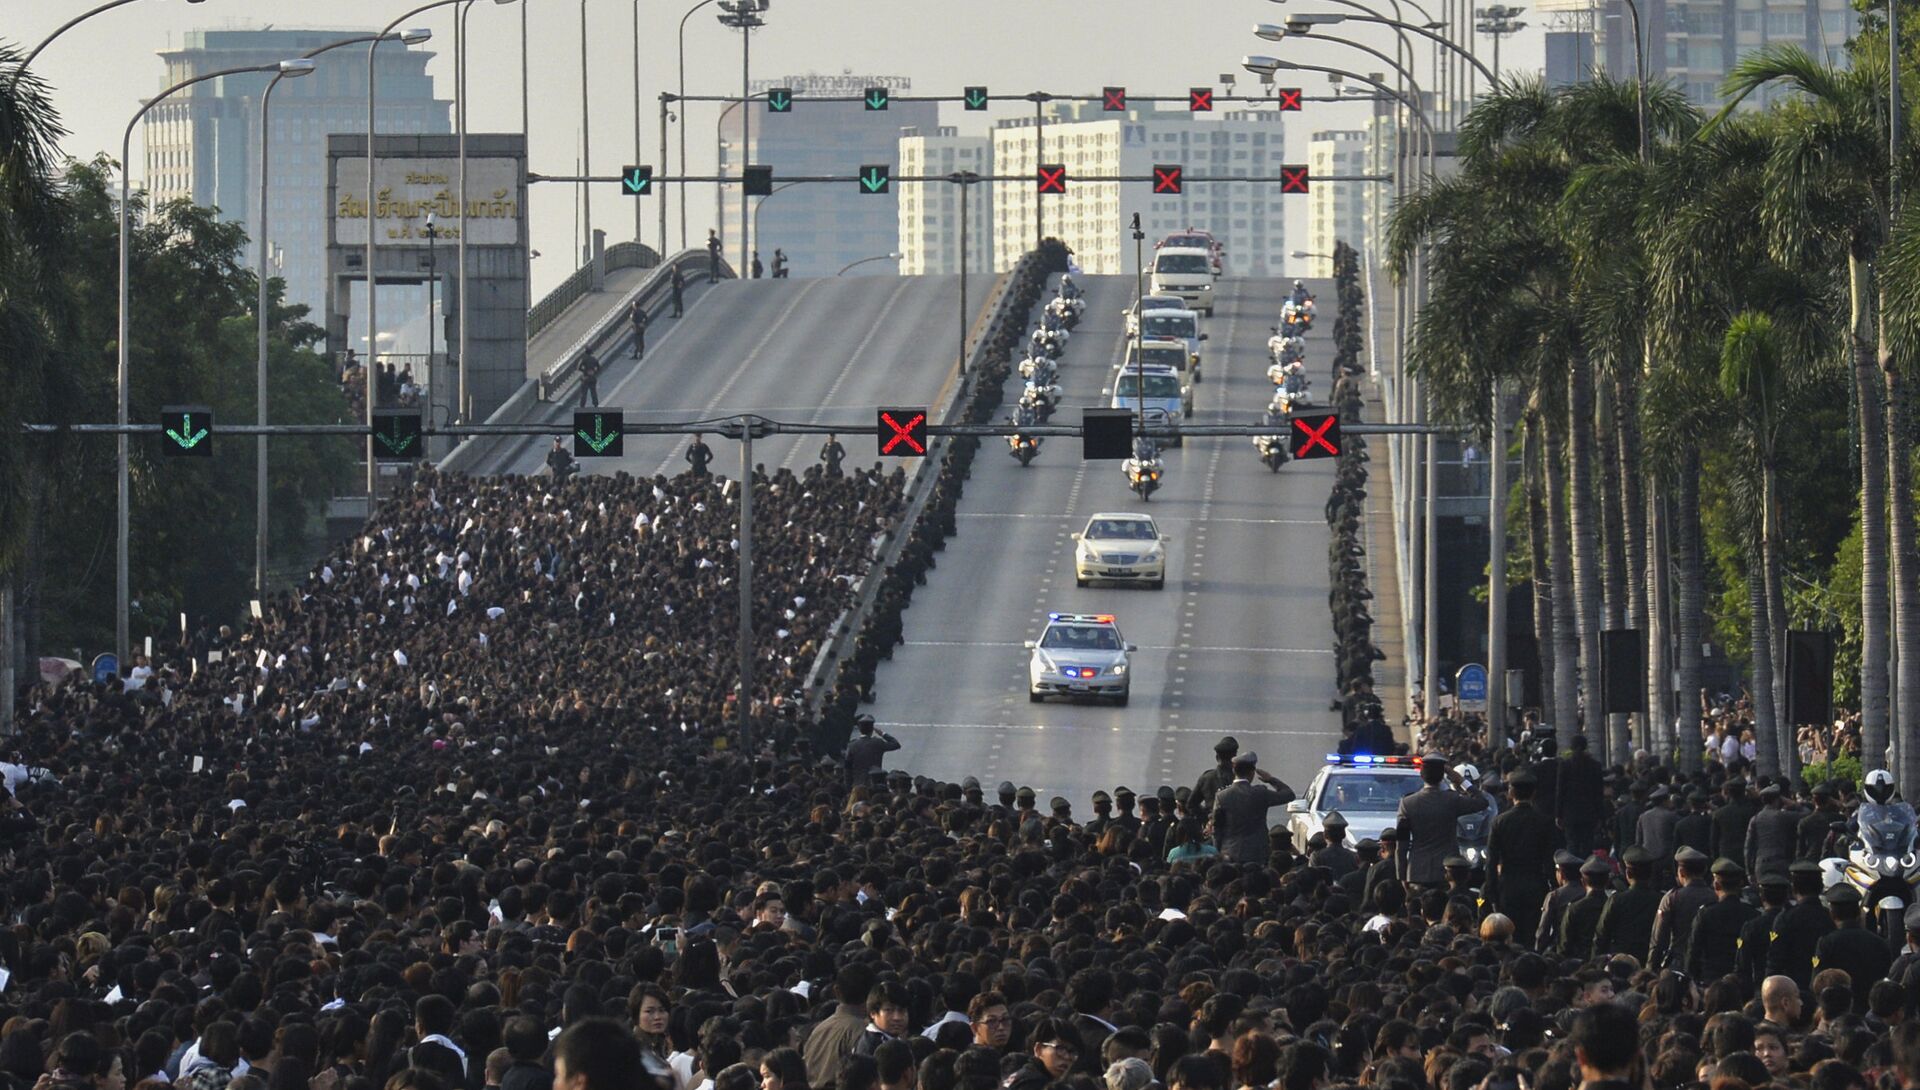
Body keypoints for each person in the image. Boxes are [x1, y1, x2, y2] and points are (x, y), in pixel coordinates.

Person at [1395, 753, 1492, 887]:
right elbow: (1482, 802)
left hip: (1417, 872)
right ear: (1443, 776)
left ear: (1422, 775)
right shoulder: (1452, 800)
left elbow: (1402, 843)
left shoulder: (1407, 803)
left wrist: (1402, 876)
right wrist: (1460, 780)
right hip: (1448, 872)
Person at [1487, 771, 1557, 941]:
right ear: (1533, 793)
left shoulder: (1499, 821)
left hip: (1508, 886)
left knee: (1510, 933)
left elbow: (1491, 861)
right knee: (1532, 933)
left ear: (1511, 793)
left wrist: (1492, 892)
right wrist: (1553, 887)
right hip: (1535, 885)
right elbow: (1549, 860)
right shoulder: (1544, 822)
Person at [1813, 883, 1894, 1011]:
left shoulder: (1826, 943)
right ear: (1858, 912)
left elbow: (1818, 980)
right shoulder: (1878, 942)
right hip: (1871, 1009)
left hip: (1839, 1009)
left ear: (1832, 914)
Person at [1210, 752, 1295, 865]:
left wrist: (1219, 851)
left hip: (1230, 853)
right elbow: (1289, 794)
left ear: (1234, 771)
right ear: (1252, 773)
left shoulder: (1222, 796)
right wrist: (1271, 779)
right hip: (1258, 853)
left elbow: (1217, 828)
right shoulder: (1260, 793)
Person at [1686, 858, 1758, 980]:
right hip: (1742, 982)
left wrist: (1692, 979)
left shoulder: (1706, 913)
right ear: (1740, 884)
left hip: (1710, 979)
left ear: (1716, 885)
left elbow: (1693, 951)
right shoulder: (1752, 914)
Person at [1649, 846, 1715, 971]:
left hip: (1678, 964)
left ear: (1681, 872)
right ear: (1705, 870)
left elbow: (1658, 939)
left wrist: (1651, 968)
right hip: (1707, 965)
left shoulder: (1672, 898)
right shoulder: (1714, 897)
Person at [843, 714, 899, 780]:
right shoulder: (878, 743)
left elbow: (847, 768)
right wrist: (883, 734)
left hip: (858, 782)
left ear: (859, 729)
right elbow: (896, 744)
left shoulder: (852, 745)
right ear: (872, 729)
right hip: (875, 779)